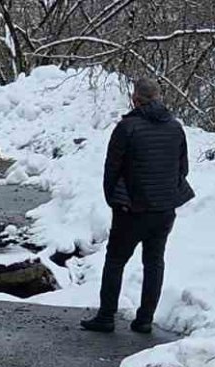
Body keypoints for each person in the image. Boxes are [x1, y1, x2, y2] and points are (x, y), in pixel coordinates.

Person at [81, 78, 194, 334]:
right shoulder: (175, 128)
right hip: (164, 210)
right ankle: (144, 319)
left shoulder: (127, 128)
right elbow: (182, 169)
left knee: (115, 260)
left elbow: (112, 169)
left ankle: (106, 316)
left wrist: (114, 200)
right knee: (154, 262)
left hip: (131, 209)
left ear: (135, 99)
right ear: (158, 97)